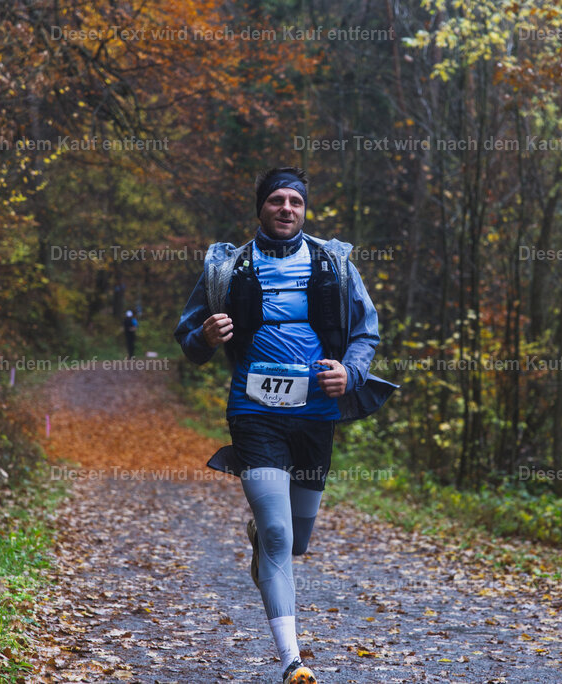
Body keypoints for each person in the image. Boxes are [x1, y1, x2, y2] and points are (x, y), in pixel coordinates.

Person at [175, 167, 395, 684]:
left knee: (294, 540)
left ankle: (265, 540)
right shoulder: (228, 266)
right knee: (277, 532)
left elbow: (367, 332)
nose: (286, 208)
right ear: (261, 208)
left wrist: (351, 371)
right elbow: (188, 338)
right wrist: (206, 336)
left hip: (317, 412)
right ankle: (292, 661)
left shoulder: (333, 263)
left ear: (305, 209)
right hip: (253, 412)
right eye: (276, 200)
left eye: (295, 201)